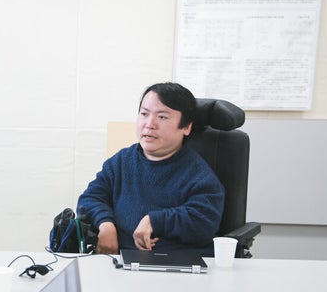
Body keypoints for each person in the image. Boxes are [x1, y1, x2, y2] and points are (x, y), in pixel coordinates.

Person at [77, 82, 224, 256]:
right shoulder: (122, 162)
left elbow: (204, 220)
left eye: (162, 117)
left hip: (177, 266)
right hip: (120, 262)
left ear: (186, 127)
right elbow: (90, 198)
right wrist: (105, 224)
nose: (149, 124)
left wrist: (154, 220)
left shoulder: (198, 174)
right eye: (144, 114)